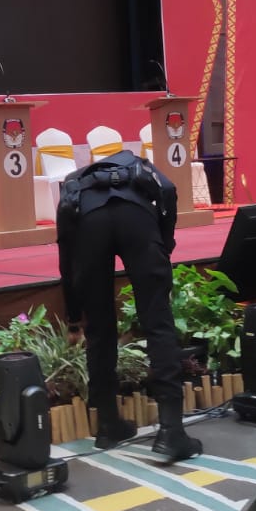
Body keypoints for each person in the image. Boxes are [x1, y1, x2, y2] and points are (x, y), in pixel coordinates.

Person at [56, 148, 201, 462]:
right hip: (138, 220)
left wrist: (73, 315)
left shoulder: (74, 183)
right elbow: (168, 190)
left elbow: (66, 257)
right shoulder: (138, 165)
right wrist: (165, 242)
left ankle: (108, 425)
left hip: (89, 225)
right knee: (157, 322)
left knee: (99, 329)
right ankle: (171, 432)